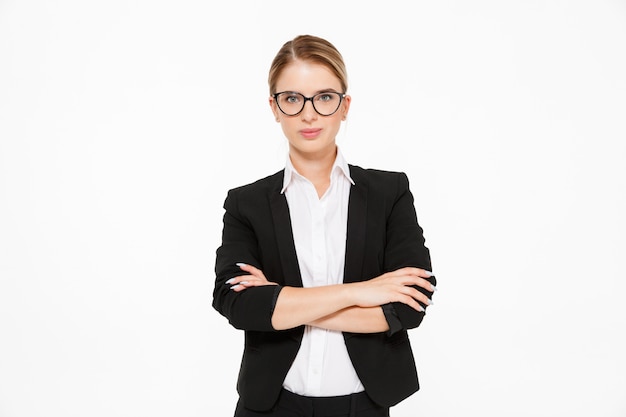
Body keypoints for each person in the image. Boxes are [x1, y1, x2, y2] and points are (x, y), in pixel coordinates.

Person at [212, 34, 437, 417]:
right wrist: (363, 292)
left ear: (344, 105)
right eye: (292, 98)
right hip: (270, 406)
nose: (309, 113)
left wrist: (282, 302)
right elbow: (238, 305)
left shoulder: (389, 192)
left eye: (325, 97)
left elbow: (410, 306)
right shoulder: (245, 203)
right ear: (275, 107)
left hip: (363, 407)